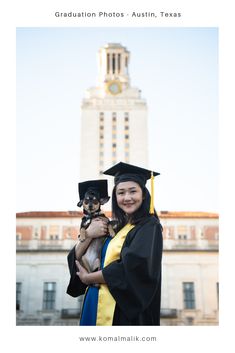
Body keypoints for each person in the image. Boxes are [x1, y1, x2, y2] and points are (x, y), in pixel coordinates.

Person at [67, 162, 163, 326]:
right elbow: (75, 256)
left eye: (133, 191)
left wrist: (89, 278)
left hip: (120, 311)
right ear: (115, 197)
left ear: (144, 195)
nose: (127, 197)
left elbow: (133, 267)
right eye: (121, 192)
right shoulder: (118, 226)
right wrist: (89, 234)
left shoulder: (149, 226)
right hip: (94, 303)